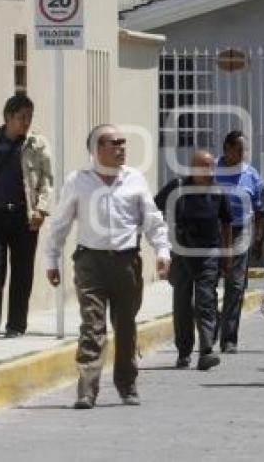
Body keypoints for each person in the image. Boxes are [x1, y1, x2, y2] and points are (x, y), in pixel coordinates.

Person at [45, 124, 170, 409]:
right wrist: (51, 260)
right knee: (92, 324)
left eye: (123, 142)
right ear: (96, 149)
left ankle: (127, 384)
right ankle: (87, 389)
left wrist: (162, 251)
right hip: (91, 262)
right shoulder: (78, 181)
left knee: (125, 326)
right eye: (114, 143)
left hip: (127, 262)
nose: (121, 148)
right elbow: (60, 223)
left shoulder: (134, 179)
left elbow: (152, 220)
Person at [0, 94, 53, 339]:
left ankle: (16, 325)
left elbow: (47, 180)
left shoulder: (37, 145)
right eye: (21, 117)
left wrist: (42, 209)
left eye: (29, 117)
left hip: (24, 217)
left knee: (22, 273)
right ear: (8, 117)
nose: (26, 122)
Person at [155, 150, 231, 371]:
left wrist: (227, 256)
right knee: (182, 305)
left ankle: (206, 350)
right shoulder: (177, 188)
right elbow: (153, 210)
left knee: (205, 301)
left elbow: (226, 224)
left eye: (211, 167)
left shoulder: (217, 191)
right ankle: (184, 351)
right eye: (203, 167)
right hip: (181, 255)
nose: (209, 171)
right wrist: (163, 246)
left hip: (208, 254)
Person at [215, 131, 264, 353]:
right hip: (213, 233)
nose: (242, 154)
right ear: (226, 149)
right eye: (237, 150)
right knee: (207, 285)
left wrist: (259, 238)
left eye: (244, 150)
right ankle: (212, 325)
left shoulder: (251, 175)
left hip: (240, 231)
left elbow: (260, 209)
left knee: (235, 286)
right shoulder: (211, 169)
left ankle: (229, 338)